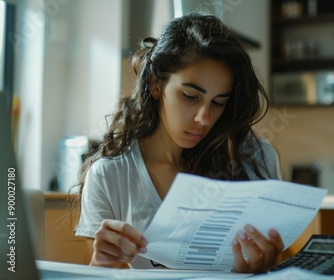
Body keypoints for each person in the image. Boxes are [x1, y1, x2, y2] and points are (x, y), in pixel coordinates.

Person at [74, 13, 284, 274]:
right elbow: (94, 276)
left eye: (218, 102)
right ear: (155, 84)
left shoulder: (255, 159)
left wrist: (262, 267)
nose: (204, 118)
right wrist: (102, 261)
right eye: (190, 96)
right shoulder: (110, 175)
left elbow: (276, 265)